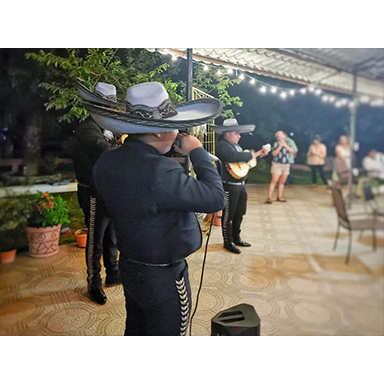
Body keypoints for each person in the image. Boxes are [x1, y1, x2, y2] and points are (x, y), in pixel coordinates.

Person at [90, 82, 224, 336]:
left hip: (130, 265)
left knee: (137, 330)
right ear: (161, 133)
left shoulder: (108, 159)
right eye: (173, 127)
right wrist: (197, 152)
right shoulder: (160, 171)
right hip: (164, 276)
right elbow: (216, 198)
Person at [72, 82, 122, 305]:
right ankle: (94, 283)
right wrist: (127, 145)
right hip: (92, 192)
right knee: (95, 240)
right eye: (106, 105)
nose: (110, 109)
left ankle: (113, 273)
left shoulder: (108, 127)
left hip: (109, 191)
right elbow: (104, 152)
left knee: (111, 235)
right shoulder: (87, 128)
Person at [214, 118, 268, 254]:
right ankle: (228, 242)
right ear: (228, 134)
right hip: (229, 186)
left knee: (240, 213)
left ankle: (237, 238)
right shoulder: (222, 145)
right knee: (229, 216)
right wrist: (250, 154)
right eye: (236, 133)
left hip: (240, 185)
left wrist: (256, 155)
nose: (239, 136)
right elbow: (233, 156)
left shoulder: (237, 146)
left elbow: (243, 162)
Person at [266, 130, 296, 204]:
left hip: (286, 164)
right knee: (274, 181)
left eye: (281, 135)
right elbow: (274, 154)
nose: (280, 137)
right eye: (278, 136)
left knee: (282, 182)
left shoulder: (288, 143)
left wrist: (285, 145)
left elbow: (293, 151)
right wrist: (280, 146)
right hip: (277, 164)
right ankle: (269, 197)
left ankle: (279, 196)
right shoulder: (275, 144)